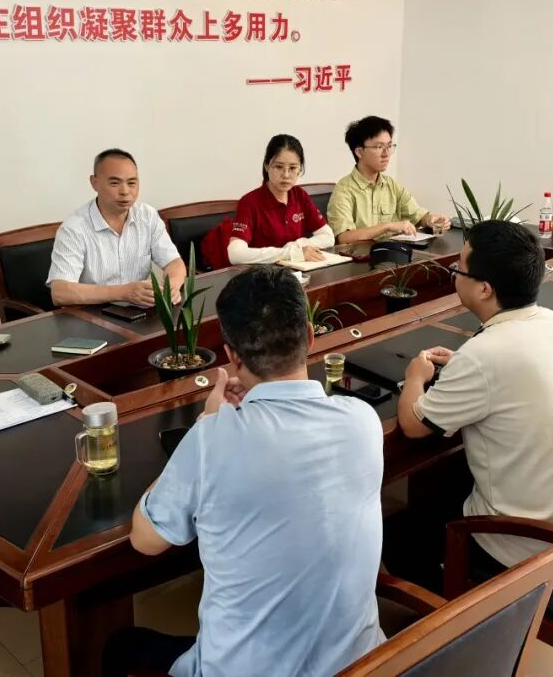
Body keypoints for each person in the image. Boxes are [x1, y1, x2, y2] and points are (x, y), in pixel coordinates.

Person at [105, 266, 384, 677]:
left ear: (232, 355)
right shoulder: (362, 419)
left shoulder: (213, 440)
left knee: (121, 647)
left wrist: (206, 426)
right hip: (363, 664)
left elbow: (145, 540)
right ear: (310, 336)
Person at [386, 220, 553, 592]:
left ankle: (464, 609)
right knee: (447, 479)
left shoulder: (484, 355)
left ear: (484, 288)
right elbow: (513, 370)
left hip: (523, 545)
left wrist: (416, 377)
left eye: (459, 269)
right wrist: (465, 367)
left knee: (395, 535)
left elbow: (414, 424)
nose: (455, 274)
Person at [47, 149, 185, 307]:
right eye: (115, 183)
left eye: (131, 183)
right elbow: (60, 293)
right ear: (94, 183)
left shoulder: (147, 216)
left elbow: (174, 263)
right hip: (94, 315)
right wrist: (124, 292)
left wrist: (171, 288)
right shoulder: (74, 229)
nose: (125, 191)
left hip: (140, 312)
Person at [200, 134, 335, 266]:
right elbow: (235, 254)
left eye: (293, 168)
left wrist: (297, 245)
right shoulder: (249, 202)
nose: (286, 175)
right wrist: (290, 253)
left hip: (297, 271)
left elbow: (328, 237)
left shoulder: (300, 195)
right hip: (262, 275)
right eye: (279, 167)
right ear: (266, 166)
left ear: (300, 168)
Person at [326, 116, 450, 243]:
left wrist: (430, 220)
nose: (386, 154)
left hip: (393, 252)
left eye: (389, 146)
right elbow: (343, 237)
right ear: (359, 152)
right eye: (379, 147)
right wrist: (387, 226)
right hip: (363, 255)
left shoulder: (390, 184)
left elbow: (417, 215)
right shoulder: (344, 190)